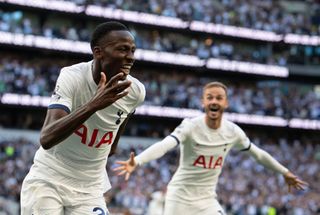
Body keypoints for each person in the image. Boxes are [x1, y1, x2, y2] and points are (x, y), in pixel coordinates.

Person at [114, 82, 308, 215]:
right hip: (179, 197)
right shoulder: (190, 126)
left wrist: (284, 172)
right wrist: (138, 160)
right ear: (203, 102)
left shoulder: (232, 131)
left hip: (207, 201)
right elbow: (166, 144)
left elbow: (257, 154)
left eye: (219, 98)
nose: (214, 101)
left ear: (226, 103)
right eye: (210, 97)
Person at [20, 21, 145, 215]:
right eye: (122, 49)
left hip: (89, 190)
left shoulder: (135, 92)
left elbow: (111, 146)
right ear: (98, 52)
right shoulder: (72, 76)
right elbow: (47, 138)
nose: (130, 57)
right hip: (48, 180)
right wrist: (93, 105)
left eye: (132, 51)